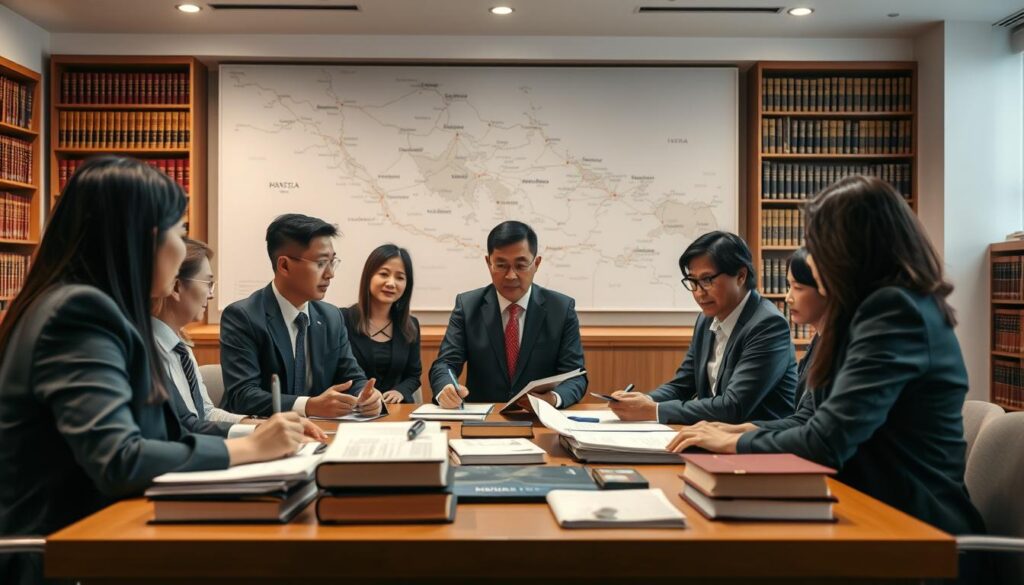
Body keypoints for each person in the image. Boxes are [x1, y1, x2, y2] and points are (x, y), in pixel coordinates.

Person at [0, 156, 307, 585]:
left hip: (105, 535)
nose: (183, 250)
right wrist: (250, 450)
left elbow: (161, 435)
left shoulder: (92, 309)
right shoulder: (79, 313)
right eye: (178, 233)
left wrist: (260, 438)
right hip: (62, 558)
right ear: (141, 240)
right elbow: (119, 459)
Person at [667, 176, 985, 539]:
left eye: (817, 244)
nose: (811, 257)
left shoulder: (894, 311)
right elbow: (811, 421)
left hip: (914, 531)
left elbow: (824, 442)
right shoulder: (867, 313)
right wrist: (733, 432)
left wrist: (734, 442)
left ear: (848, 248)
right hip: (870, 509)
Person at [610, 231, 797, 424]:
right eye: (693, 281)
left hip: (757, 446)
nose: (699, 293)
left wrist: (653, 410)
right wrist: (646, 400)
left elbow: (734, 406)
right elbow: (683, 384)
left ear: (741, 276)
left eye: (708, 280)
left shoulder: (767, 325)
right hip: (716, 437)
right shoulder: (706, 320)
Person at [153, 238, 326, 440]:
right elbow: (185, 427)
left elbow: (206, 413)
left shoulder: (181, 348)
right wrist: (258, 433)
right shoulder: (147, 351)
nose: (210, 294)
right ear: (175, 287)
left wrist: (265, 426)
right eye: (208, 283)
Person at [221, 213, 381, 418]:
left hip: (320, 434)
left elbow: (353, 378)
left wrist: (366, 396)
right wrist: (309, 406)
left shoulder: (331, 317)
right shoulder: (243, 317)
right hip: (261, 435)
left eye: (333, 262)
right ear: (284, 266)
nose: (330, 273)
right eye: (321, 263)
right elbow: (243, 396)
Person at [429, 221, 587, 410]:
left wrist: (551, 399)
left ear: (536, 264)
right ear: (489, 263)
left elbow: (575, 375)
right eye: (501, 265)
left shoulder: (561, 309)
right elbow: (445, 364)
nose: (511, 275)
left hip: (540, 420)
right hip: (484, 420)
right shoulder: (468, 306)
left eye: (521, 265)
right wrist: (446, 387)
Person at [700, 247, 825, 436]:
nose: (788, 298)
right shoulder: (820, 340)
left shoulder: (767, 324)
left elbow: (811, 426)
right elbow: (804, 418)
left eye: (798, 288)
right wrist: (740, 430)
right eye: (788, 286)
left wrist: (738, 437)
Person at [341, 244, 422, 404]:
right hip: (356, 410)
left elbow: (414, 375)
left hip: (398, 411)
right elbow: (339, 372)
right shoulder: (343, 319)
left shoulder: (410, 325)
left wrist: (400, 391)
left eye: (400, 277)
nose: (391, 283)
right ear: (369, 276)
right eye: (384, 274)